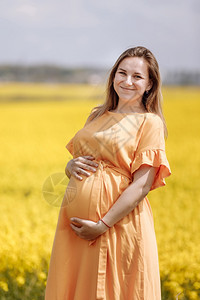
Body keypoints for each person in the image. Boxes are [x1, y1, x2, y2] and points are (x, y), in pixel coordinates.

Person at [45, 46, 171, 300]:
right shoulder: (98, 114)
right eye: (121, 73)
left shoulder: (150, 123)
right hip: (76, 230)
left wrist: (101, 225)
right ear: (113, 76)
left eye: (137, 77)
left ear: (149, 84)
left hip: (117, 226)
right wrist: (70, 167)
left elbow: (141, 185)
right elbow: (81, 159)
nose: (127, 81)